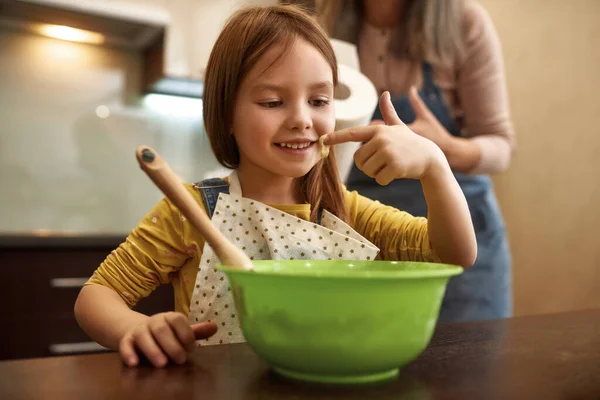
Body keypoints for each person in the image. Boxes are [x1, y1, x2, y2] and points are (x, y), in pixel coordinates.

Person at [74, 4, 476, 369]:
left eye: (319, 101)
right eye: (272, 102)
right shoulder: (192, 211)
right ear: (227, 113)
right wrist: (135, 328)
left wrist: (435, 167)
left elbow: (454, 254)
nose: (302, 119)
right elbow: (95, 296)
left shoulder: (347, 212)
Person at [315, 0, 515, 324]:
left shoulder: (465, 22)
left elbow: (501, 144)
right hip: (365, 228)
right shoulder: (321, 20)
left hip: (461, 222)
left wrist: (442, 150)